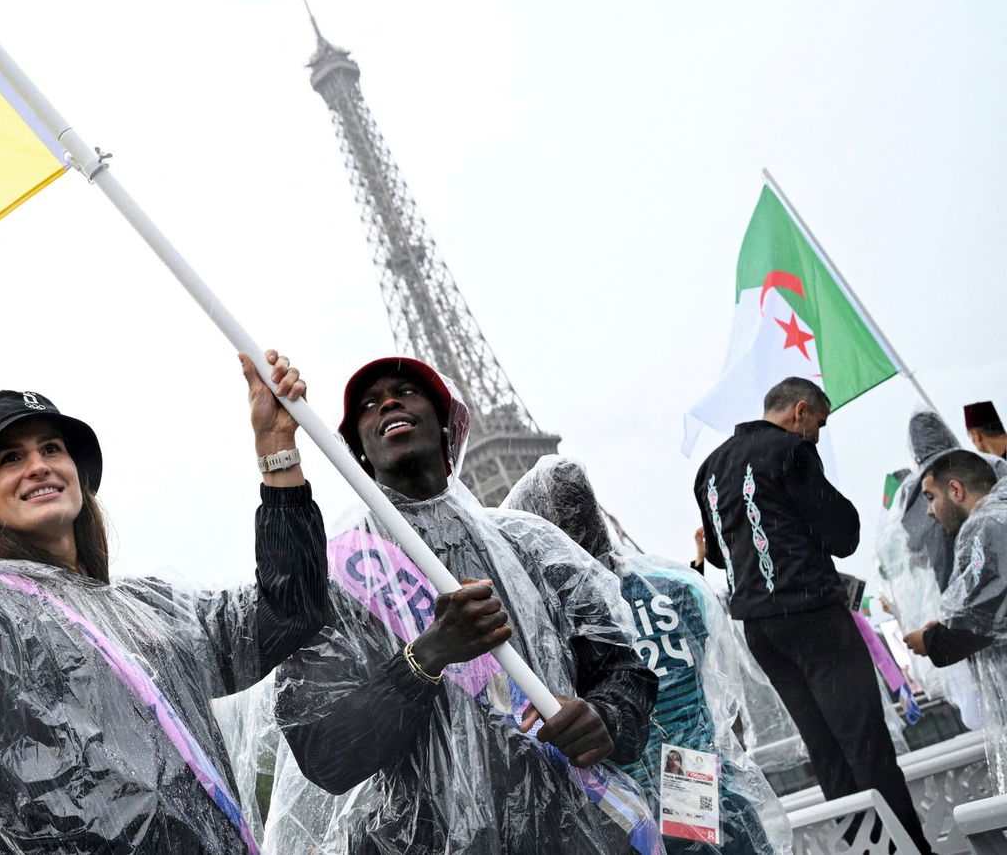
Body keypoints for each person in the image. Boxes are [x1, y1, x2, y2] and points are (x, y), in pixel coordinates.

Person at [0, 323, 329, 855]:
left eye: (51, 449)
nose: (38, 466)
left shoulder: (150, 611)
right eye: (10, 458)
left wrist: (277, 449)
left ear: (78, 476)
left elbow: (289, 611)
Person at [262, 357, 658, 855]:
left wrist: (605, 718)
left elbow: (623, 670)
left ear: (449, 423)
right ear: (357, 454)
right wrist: (427, 656)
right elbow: (324, 754)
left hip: (573, 831)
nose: (388, 402)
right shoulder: (337, 581)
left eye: (407, 391)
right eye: (368, 404)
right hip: (428, 841)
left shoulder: (533, 545)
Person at [504, 455, 788, 855]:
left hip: (626, 811)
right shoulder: (678, 587)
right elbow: (719, 693)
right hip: (703, 782)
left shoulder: (553, 623)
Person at [693, 377, 930, 852]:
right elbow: (843, 534)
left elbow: (719, 554)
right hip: (812, 613)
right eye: (819, 422)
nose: (818, 434)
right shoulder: (790, 451)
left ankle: (867, 850)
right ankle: (911, 849)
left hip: (760, 628)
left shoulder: (708, 470)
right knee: (865, 742)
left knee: (825, 749)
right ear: (800, 412)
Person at [902, 449, 1007, 791]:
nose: (929, 511)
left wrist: (931, 641)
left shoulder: (985, 525)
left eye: (931, 498)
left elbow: (982, 620)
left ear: (956, 490)